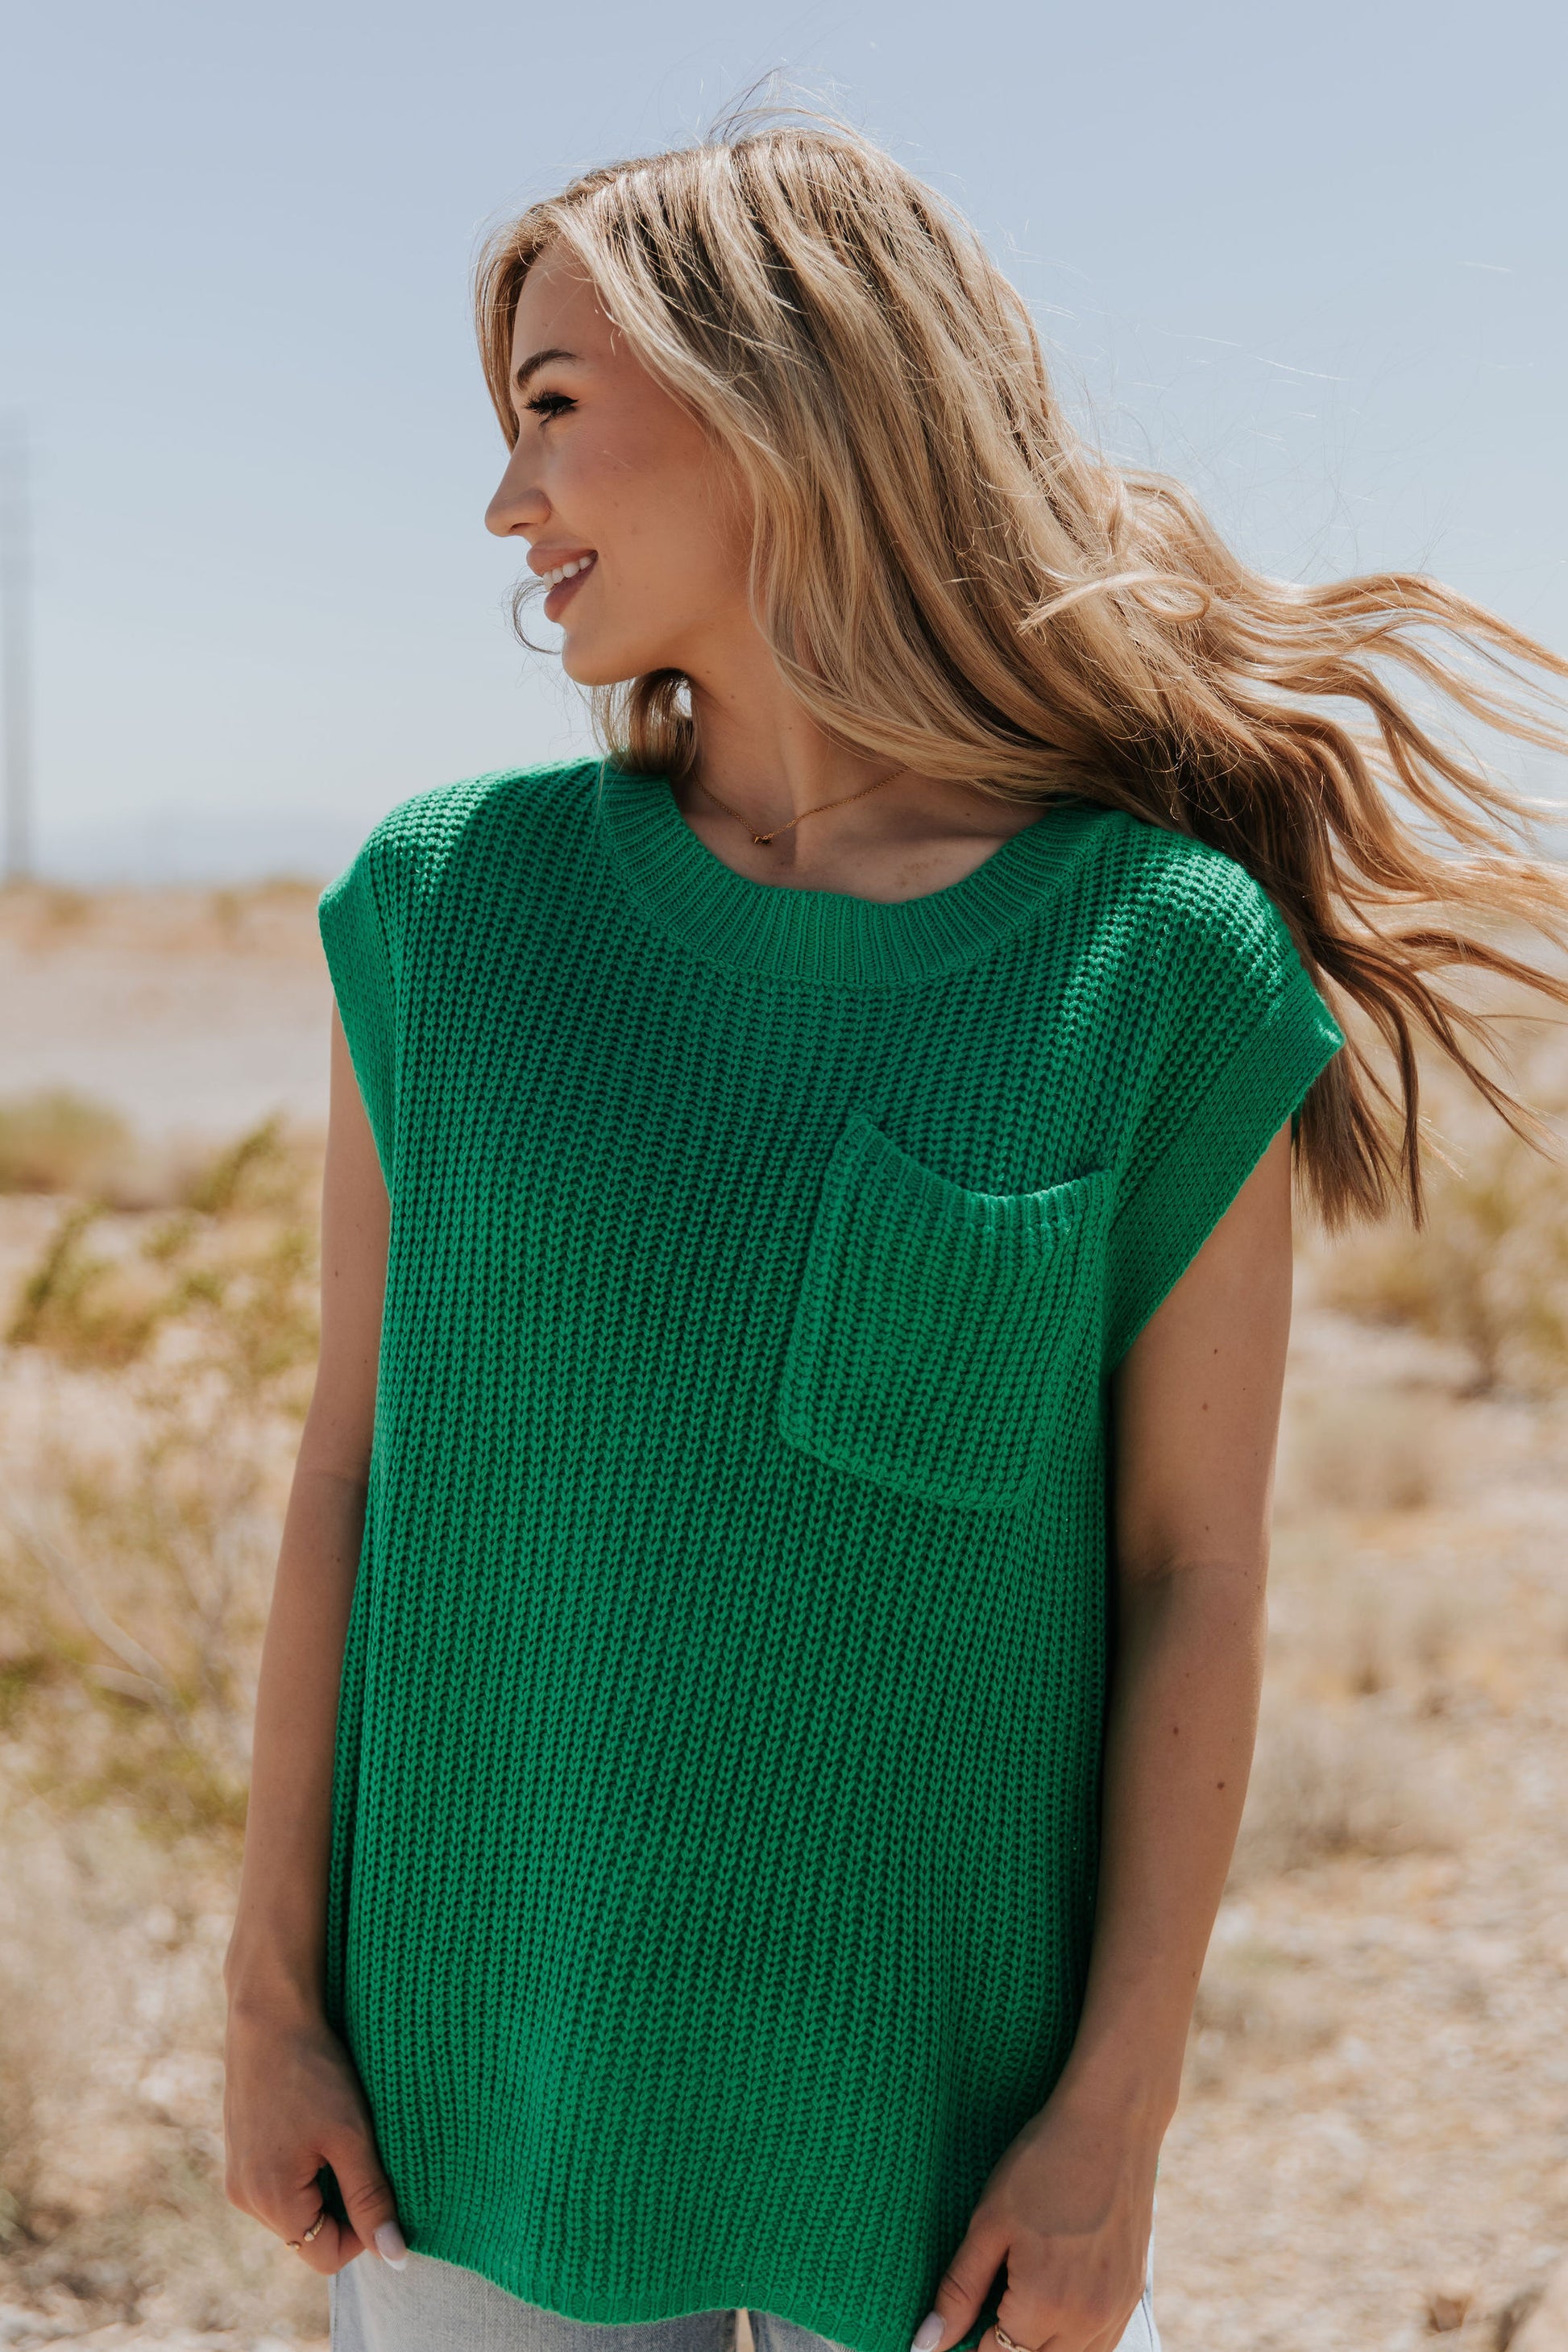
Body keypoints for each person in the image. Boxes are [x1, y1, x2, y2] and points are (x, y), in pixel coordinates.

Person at [222, 110, 1568, 2352]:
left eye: (551, 408)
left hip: (947, 2146)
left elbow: (1193, 1575)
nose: (506, 501)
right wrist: (269, 1996)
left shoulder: (1156, 961)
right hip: (477, 2087)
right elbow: (349, 1475)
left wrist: (1115, 2118)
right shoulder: (448, 913)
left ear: (784, 397)